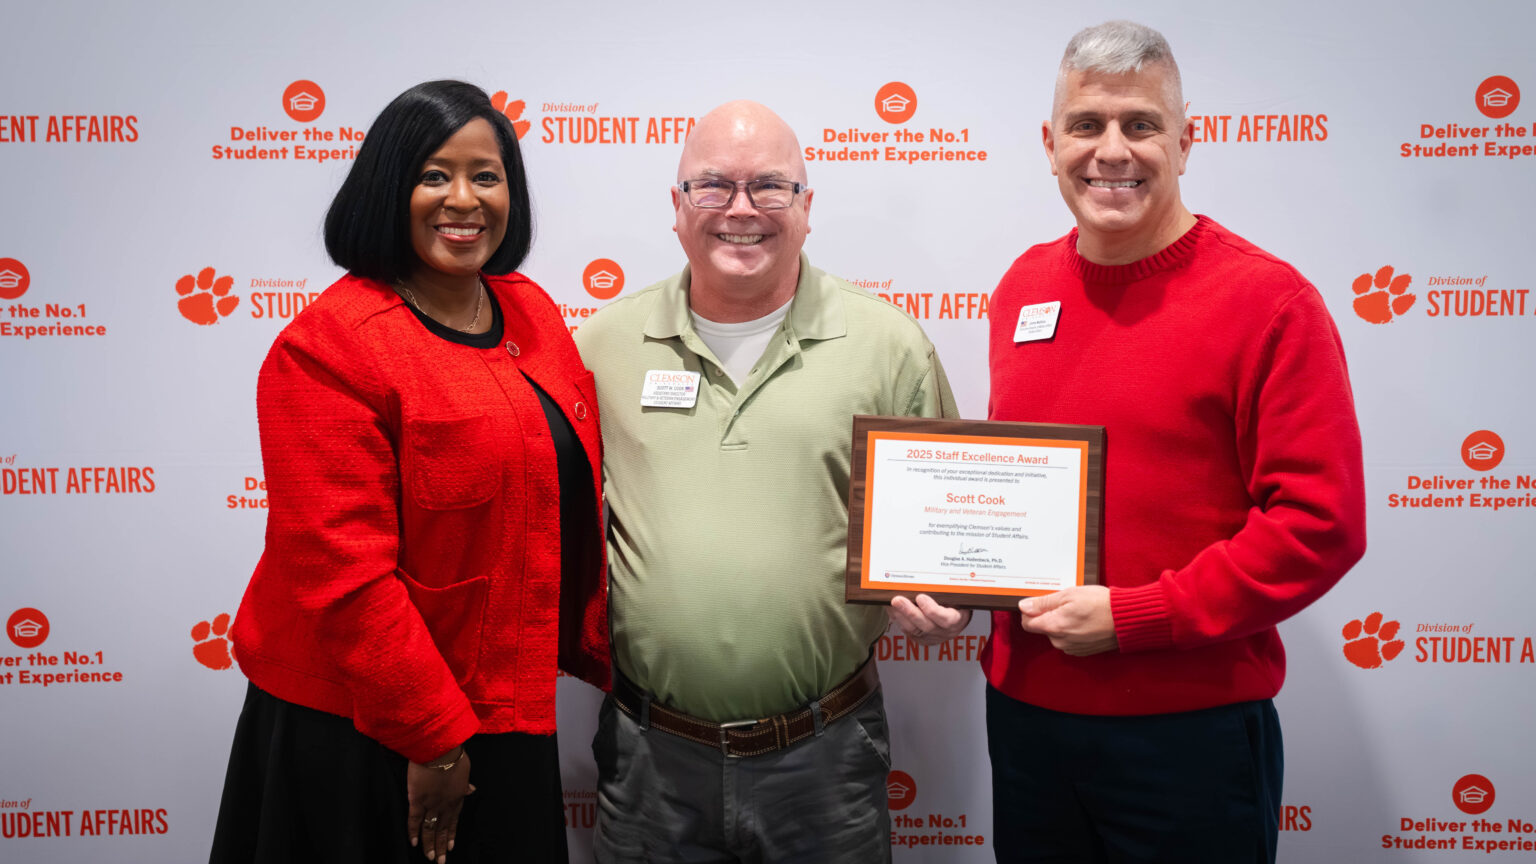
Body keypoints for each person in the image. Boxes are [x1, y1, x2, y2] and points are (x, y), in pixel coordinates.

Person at [984, 21, 1366, 863]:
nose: (1110, 151)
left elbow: (1319, 525)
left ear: (1187, 141)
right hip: (1027, 721)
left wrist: (1134, 617)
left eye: (1141, 124)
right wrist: (944, 579)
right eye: (1087, 125)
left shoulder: (1269, 303)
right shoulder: (1020, 289)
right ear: (1050, 145)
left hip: (1188, 737)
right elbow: (1012, 496)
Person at [209, 80, 609, 864]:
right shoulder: (330, 346)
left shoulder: (531, 311)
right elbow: (342, 576)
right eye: (434, 174)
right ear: (388, 188)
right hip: (373, 728)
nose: (463, 199)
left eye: (485, 176)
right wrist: (433, 742)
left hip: (506, 706)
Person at [573, 100, 965, 863]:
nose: (741, 210)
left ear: (808, 207)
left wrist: (945, 585)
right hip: (651, 757)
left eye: (771, 187)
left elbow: (946, 527)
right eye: (713, 186)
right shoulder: (601, 347)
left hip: (824, 760)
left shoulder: (888, 345)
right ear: (677, 208)